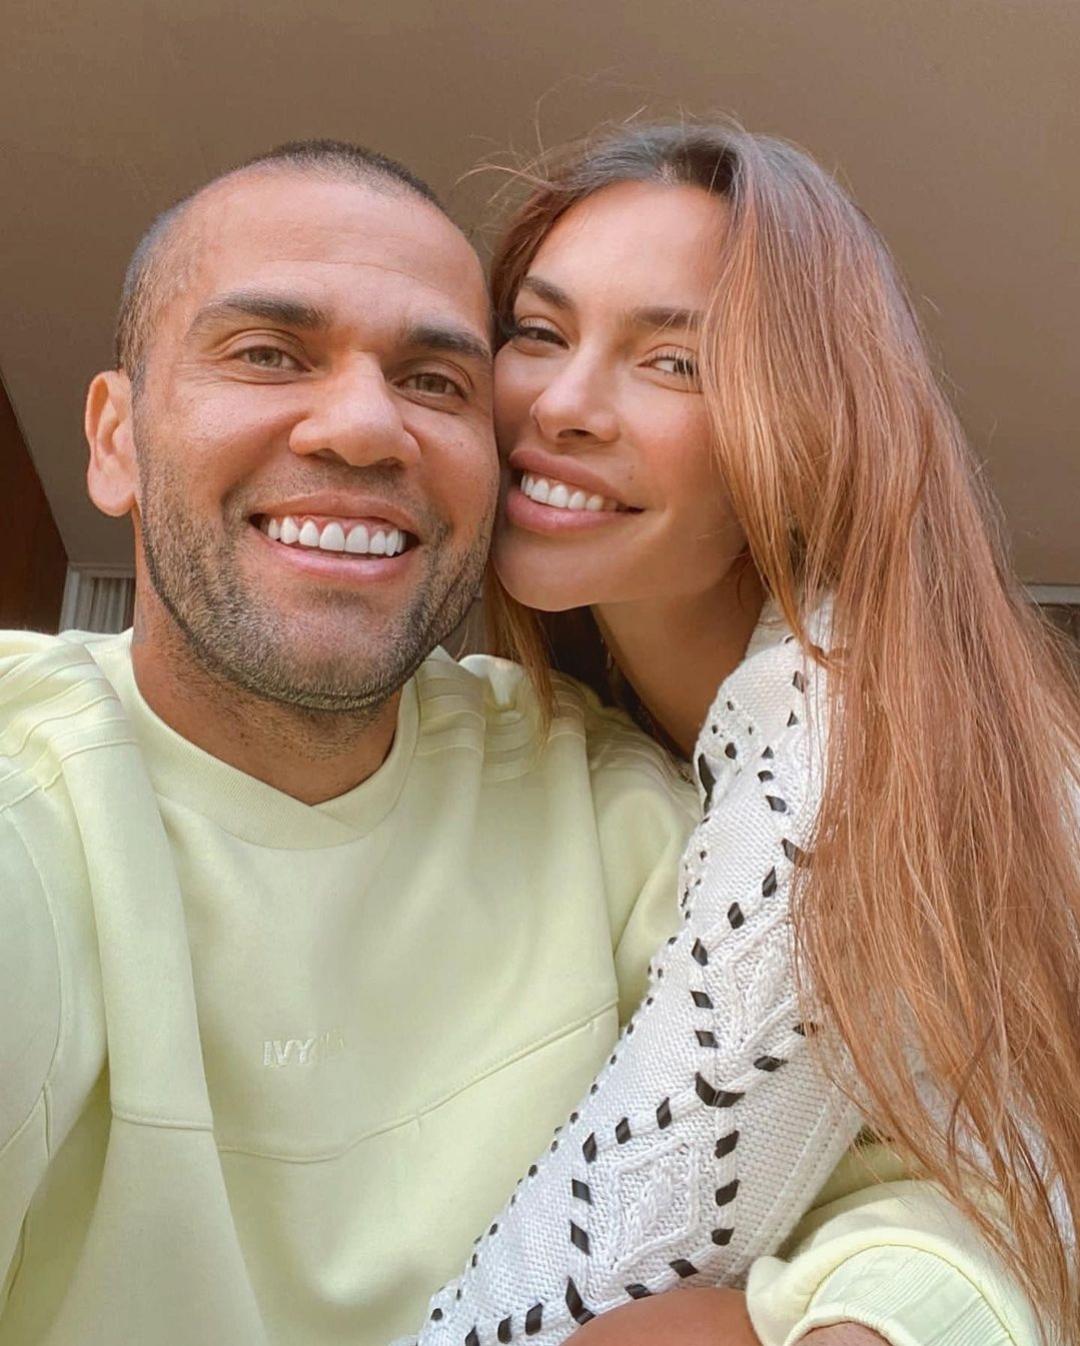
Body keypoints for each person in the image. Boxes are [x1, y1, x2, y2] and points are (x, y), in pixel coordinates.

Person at [0, 140, 700, 1346]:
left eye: (435, 381)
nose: (367, 428)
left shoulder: (594, 800)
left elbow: (916, 1183)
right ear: (114, 440)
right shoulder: (33, 787)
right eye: (268, 353)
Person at [400, 123, 1080, 1346]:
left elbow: (615, 1242)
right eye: (538, 332)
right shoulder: (601, 713)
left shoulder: (847, 726)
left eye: (673, 362)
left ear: (804, 425)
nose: (563, 403)